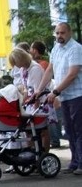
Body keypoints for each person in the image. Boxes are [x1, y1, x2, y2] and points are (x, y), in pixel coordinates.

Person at [34, 22, 82, 175]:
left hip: (77, 94)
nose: (59, 36)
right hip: (65, 96)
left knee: (78, 129)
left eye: (62, 33)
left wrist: (55, 91)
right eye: (57, 33)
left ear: (69, 33)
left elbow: (73, 74)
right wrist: (39, 90)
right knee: (69, 130)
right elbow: (49, 70)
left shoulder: (76, 49)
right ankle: (75, 162)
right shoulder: (56, 48)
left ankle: (81, 163)